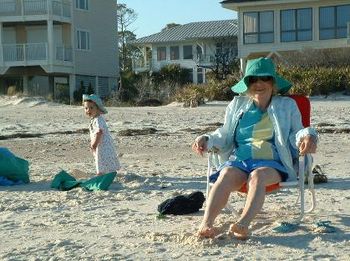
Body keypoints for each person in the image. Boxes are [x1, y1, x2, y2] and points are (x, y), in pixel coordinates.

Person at [192, 57, 318, 240]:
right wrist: (206, 138)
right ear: (247, 83)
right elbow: (225, 133)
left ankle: (243, 223)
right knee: (225, 174)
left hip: (273, 163)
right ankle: (206, 224)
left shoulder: (287, 105)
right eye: (253, 79)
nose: (259, 83)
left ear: (273, 82)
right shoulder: (237, 105)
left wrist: (309, 135)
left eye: (264, 78)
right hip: (240, 160)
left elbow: (297, 132)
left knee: (257, 176)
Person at [82, 94, 120, 176]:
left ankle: (102, 173)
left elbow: (99, 132)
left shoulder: (98, 119)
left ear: (98, 109)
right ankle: (108, 172)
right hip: (100, 144)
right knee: (101, 158)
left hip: (102, 144)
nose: (88, 110)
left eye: (91, 108)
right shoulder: (94, 119)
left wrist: (94, 144)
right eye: (86, 108)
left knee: (102, 158)